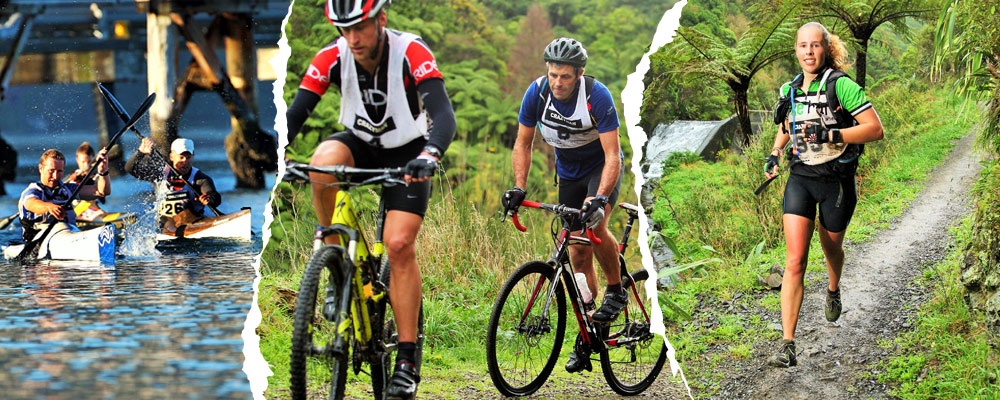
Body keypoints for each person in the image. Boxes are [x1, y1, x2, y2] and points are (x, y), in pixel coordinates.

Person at [284, 0, 456, 397]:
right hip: (361, 144)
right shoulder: (332, 56)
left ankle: (408, 360)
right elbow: (295, 114)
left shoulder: (411, 51)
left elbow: (444, 115)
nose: (353, 38)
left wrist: (430, 155)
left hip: (409, 152)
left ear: (380, 19)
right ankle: (334, 260)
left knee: (398, 245)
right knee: (321, 162)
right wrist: (274, 152)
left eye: (360, 27)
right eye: (344, 29)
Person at [501, 37, 625, 373]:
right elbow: (522, 144)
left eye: (565, 76)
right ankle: (589, 332)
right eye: (553, 74)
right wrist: (518, 187)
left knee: (594, 225)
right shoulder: (537, 93)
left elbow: (613, 154)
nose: (558, 82)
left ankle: (616, 291)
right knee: (577, 252)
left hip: (600, 168)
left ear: (579, 74)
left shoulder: (596, 96)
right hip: (568, 172)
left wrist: (599, 198)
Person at [764, 22, 884, 368]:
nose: (808, 52)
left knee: (830, 244)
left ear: (825, 49)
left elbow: (875, 129)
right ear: (796, 50)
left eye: (815, 45)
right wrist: (775, 152)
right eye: (803, 46)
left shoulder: (840, 86)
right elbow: (787, 125)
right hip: (801, 176)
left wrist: (831, 131)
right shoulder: (791, 90)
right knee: (795, 260)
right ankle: (787, 344)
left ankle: (833, 288)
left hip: (836, 179)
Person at [19, 148, 110, 241]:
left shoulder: (69, 189)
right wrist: (49, 207)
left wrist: (103, 171)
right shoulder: (34, 190)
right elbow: (31, 203)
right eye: (51, 171)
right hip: (38, 241)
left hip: (69, 235)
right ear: (40, 168)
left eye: (59, 171)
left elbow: (102, 191)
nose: (55, 176)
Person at [125, 137, 221, 222]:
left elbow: (214, 196)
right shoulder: (160, 174)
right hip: (164, 224)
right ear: (171, 156)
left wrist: (209, 199)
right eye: (181, 157)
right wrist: (140, 153)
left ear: (193, 157)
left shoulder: (200, 178)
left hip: (192, 223)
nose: (185, 161)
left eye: (188, 158)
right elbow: (130, 169)